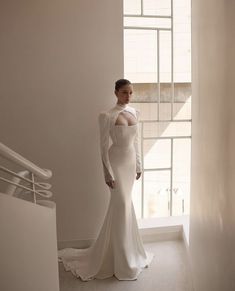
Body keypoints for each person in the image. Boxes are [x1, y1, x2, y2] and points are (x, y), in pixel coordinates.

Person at [58, 79, 154, 281]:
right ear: (116, 93)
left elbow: (136, 142)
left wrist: (138, 165)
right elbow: (102, 147)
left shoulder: (135, 113)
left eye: (131, 93)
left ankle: (126, 253)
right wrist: (107, 173)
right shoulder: (107, 115)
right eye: (124, 92)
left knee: (125, 207)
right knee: (121, 204)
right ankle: (121, 260)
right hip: (116, 162)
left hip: (128, 164)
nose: (128, 96)